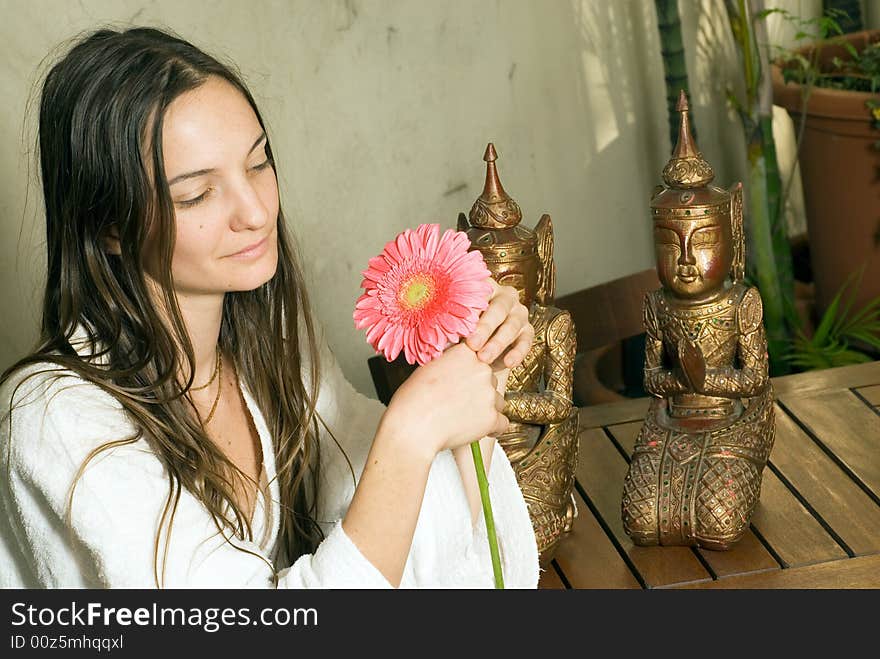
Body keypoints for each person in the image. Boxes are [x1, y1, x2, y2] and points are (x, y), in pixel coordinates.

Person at [0, 27, 539, 588]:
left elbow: (376, 476)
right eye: (196, 194)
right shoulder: (54, 419)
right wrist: (413, 430)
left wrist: (461, 360)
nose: (255, 212)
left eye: (258, 164)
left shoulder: (266, 337)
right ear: (110, 226)